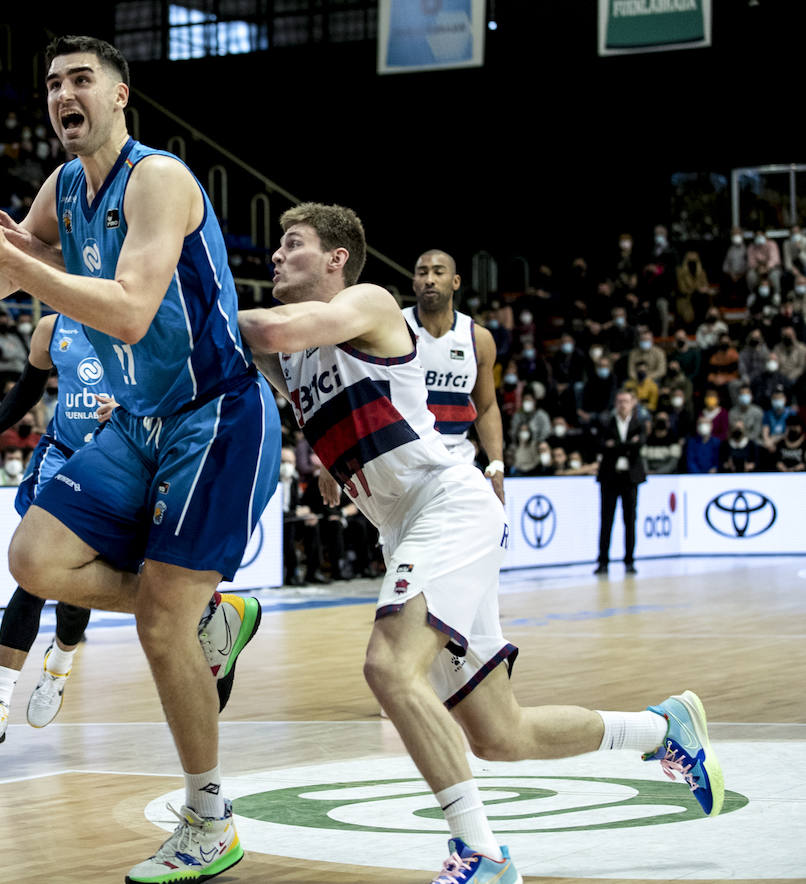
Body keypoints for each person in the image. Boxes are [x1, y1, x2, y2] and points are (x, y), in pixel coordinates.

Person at [236, 202, 722, 884]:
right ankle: (662, 727)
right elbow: (240, 350)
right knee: (501, 735)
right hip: (405, 528)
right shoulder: (296, 358)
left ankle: (484, 854)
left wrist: (198, 289)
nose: (276, 257)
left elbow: (257, 323)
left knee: (387, 668)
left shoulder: (371, 303)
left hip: (449, 509)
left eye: (293, 245)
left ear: (337, 258)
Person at [0, 36, 276, 882]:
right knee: (33, 559)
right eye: (52, 84)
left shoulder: (160, 178)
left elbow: (127, 311)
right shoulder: (63, 187)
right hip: (142, 418)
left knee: (157, 621)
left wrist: (13, 259)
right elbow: (0, 287)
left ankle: (209, 818)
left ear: (120, 95)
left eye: (81, 80)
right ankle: (215, 621)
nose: (62, 94)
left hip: (214, 413)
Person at [0, 314, 111, 762]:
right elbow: (29, 384)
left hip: (115, 459)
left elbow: (169, 386)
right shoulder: (51, 327)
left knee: (77, 582)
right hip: (60, 457)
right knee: (33, 574)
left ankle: (59, 668)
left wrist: (129, 408)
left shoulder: (135, 316)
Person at [403, 251, 504, 497]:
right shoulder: (395, 327)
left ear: (456, 282)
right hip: (404, 456)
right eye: (422, 273)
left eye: (438, 272)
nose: (429, 279)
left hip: (457, 459)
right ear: (414, 282)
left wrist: (497, 463)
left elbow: (487, 406)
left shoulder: (478, 338)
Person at [594, 389, 647, 574]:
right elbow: (601, 446)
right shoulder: (606, 423)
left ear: (633, 403)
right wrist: (627, 446)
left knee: (630, 520)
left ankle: (629, 561)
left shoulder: (639, 424)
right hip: (610, 477)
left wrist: (615, 446)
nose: (622, 404)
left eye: (626, 401)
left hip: (630, 478)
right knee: (606, 520)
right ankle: (602, 562)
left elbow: (638, 446)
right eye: (619, 401)